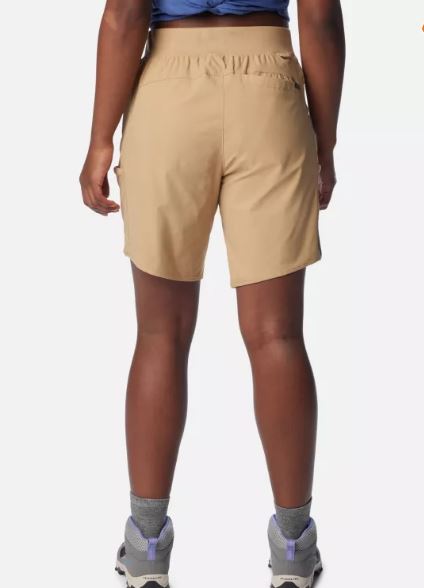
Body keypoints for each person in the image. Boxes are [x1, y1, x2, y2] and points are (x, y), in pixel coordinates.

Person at [79, 0, 344, 586]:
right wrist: (324, 143)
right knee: (277, 335)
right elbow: (321, 18)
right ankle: (294, 547)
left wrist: (100, 139)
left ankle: (147, 546)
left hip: (168, 88)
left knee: (160, 334)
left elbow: (125, 15)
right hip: (270, 88)